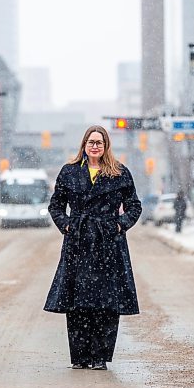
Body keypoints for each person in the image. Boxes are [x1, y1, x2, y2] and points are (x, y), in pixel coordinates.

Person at [44, 125, 142, 371]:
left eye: (99, 142)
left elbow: (134, 206)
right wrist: (66, 225)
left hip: (108, 244)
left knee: (106, 303)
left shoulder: (119, 173)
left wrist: (119, 226)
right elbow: (56, 205)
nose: (95, 146)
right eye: (91, 142)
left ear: (106, 145)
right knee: (77, 302)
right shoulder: (69, 172)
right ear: (84, 145)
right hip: (78, 243)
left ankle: (100, 357)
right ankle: (80, 357)